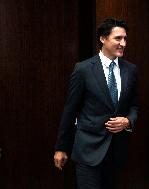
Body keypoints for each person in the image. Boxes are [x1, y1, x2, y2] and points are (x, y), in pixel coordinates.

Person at [53, 18, 138, 189]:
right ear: (103, 39)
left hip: (116, 153)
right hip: (87, 150)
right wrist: (61, 148)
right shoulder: (83, 69)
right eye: (118, 38)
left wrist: (128, 121)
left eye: (125, 39)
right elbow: (70, 110)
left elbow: (134, 106)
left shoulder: (131, 70)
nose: (123, 43)